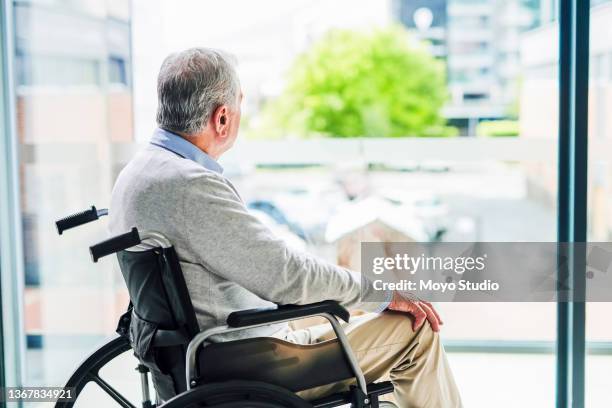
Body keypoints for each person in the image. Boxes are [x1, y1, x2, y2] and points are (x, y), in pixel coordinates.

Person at [110, 47, 462, 407]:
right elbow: (286, 276)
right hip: (247, 359)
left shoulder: (138, 174)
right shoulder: (189, 186)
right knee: (416, 328)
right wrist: (384, 292)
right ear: (222, 119)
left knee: (362, 308)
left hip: (207, 349)